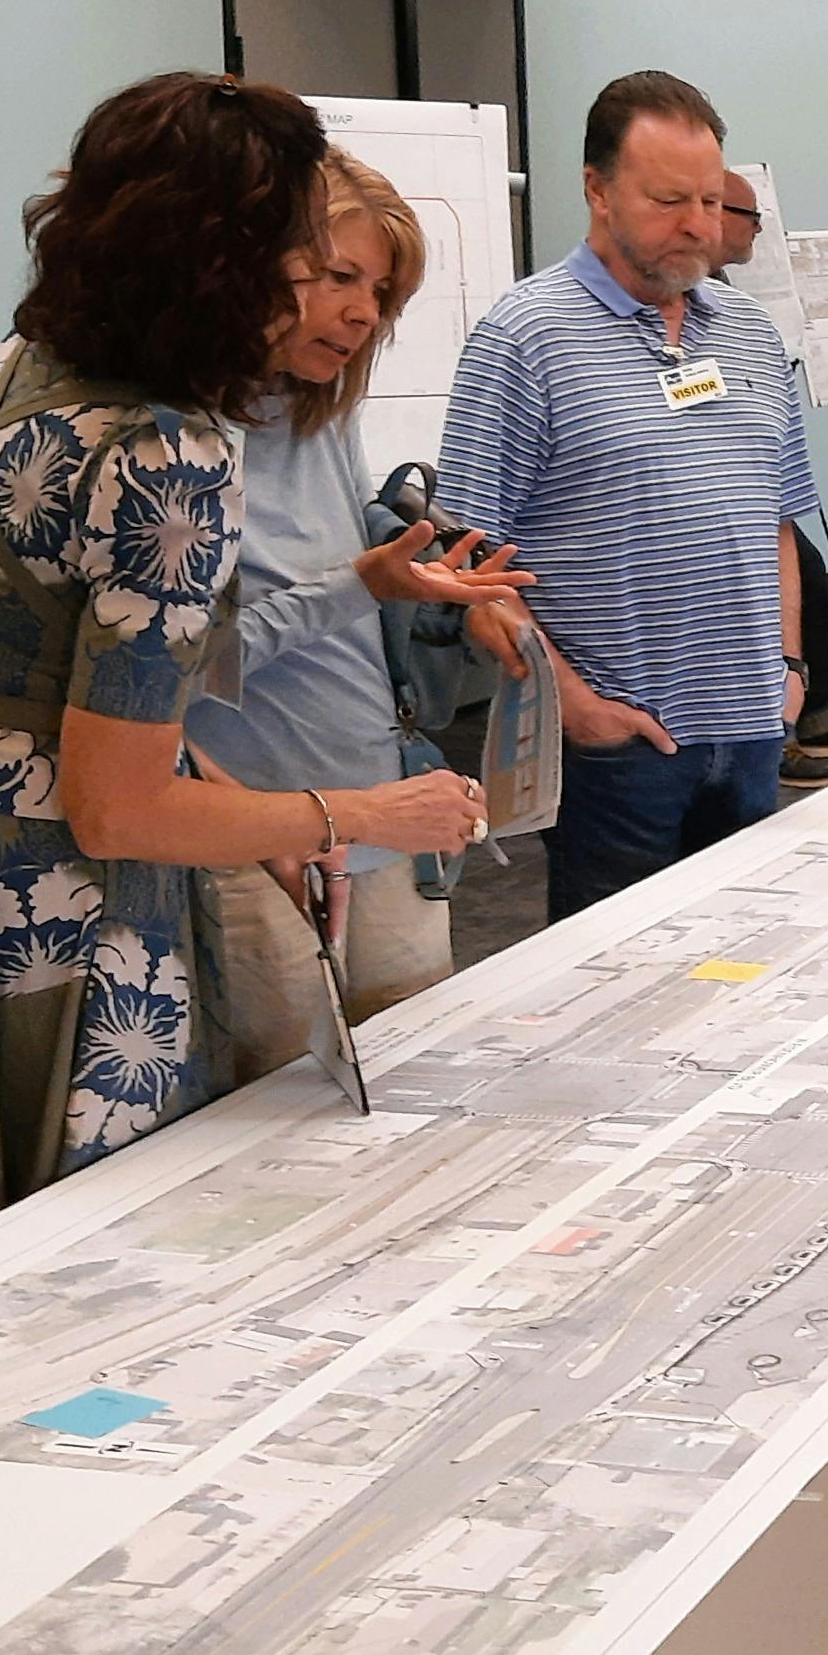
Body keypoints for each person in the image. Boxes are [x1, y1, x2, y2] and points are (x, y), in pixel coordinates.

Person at [0, 75, 495, 1275]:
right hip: (79, 903)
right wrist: (366, 815)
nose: (323, 291)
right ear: (225, 258)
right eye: (299, 253)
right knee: (109, 1254)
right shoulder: (169, 452)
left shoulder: (26, 368)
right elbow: (121, 802)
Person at [184, 149, 532, 1083]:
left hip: (382, 809)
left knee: (416, 1074)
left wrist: (438, 598)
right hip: (254, 832)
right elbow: (182, 667)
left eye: (380, 292)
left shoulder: (319, 408)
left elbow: (346, 586)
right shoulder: (171, 437)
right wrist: (363, 586)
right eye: (340, 277)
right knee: (273, 1113)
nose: (362, 313)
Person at [440, 71, 813, 919]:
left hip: (751, 731)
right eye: (668, 199)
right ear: (597, 190)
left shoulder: (749, 335)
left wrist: (787, 671)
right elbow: (464, 566)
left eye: (712, 201)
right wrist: (578, 710)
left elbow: (779, 520)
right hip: (620, 749)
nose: (698, 226)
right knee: (614, 993)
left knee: (746, 965)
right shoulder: (523, 337)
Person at [705, 166, 828, 789]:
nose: (759, 229)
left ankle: (812, 711)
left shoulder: (729, 299)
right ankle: (774, 734)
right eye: (748, 215)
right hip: (704, 492)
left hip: (749, 481)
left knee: (806, 572)